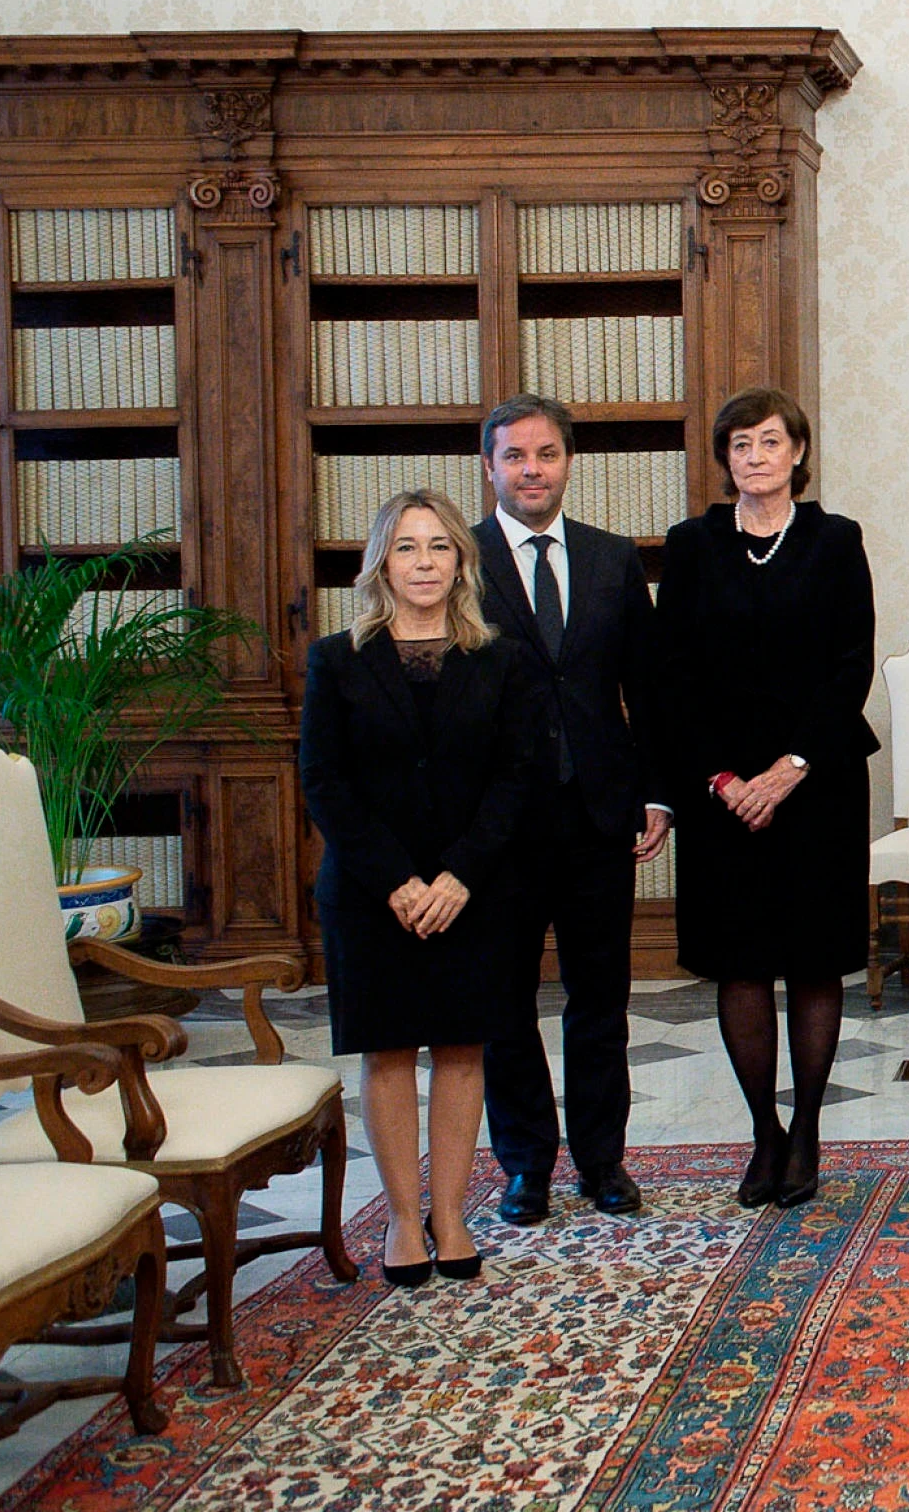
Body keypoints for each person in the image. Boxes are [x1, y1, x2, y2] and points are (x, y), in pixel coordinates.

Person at [298, 489, 547, 1286]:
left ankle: (451, 1213)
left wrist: (456, 877)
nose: (425, 563)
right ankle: (404, 1221)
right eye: (407, 547)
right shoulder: (336, 658)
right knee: (390, 1052)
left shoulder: (501, 658)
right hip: (374, 895)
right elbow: (324, 783)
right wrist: (400, 881)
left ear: (461, 563)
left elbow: (516, 780)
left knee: (465, 1049)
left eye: (440, 547)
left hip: (476, 890)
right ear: (382, 563)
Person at [658, 387, 878, 1210]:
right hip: (723, 795)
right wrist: (723, 779)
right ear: (725, 460)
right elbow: (671, 677)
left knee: (814, 958)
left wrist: (789, 767)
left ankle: (810, 1128)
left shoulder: (834, 540)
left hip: (815, 784)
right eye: (740, 444)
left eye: (770, 442)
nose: (755, 457)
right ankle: (764, 1133)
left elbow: (848, 664)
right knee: (740, 961)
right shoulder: (691, 546)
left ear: (797, 453)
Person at [470, 394, 666, 1226]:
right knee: (503, 1004)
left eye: (545, 454)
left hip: (597, 812)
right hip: (498, 824)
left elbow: (647, 687)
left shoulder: (613, 558)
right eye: (514, 457)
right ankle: (525, 1168)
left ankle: (602, 1161)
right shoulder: (459, 559)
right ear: (490, 468)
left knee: (600, 999)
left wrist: (655, 791)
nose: (531, 471)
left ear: (568, 462)